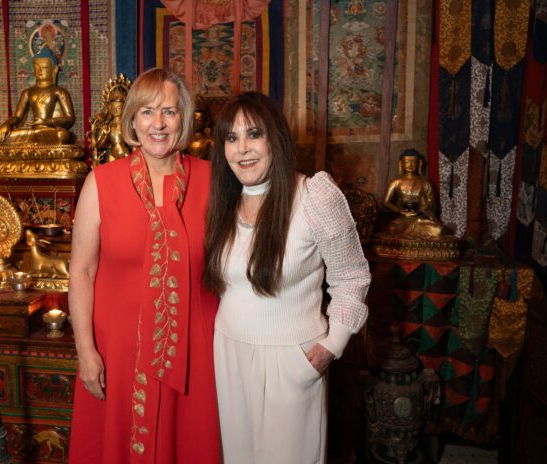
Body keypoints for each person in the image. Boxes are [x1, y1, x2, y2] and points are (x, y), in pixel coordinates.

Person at [203, 91, 370, 464]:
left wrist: (332, 346)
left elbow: (352, 277)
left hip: (294, 359)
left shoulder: (314, 196)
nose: (242, 149)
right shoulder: (222, 201)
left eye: (254, 134)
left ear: (274, 138)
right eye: (232, 138)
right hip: (229, 354)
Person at [67, 68, 221, 464]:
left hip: (196, 349)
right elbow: (81, 272)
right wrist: (86, 351)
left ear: (183, 119)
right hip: (118, 352)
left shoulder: (213, 179)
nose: (158, 123)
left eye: (169, 112)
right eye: (148, 111)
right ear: (132, 119)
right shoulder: (100, 182)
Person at [0, 47, 75, 145]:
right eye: (36, 68)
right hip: (32, 132)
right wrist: (7, 123)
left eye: (44, 67)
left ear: (55, 70)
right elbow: (17, 117)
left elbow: (69, 118)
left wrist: (46, 122)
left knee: (63, 135)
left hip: (50, 132)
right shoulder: (27, 92)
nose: (39, 71)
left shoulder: (59, 91)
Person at [381, 148, 446, 239]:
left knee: (437, 230)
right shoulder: (396, 182)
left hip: (420, 218)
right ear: (401, 164)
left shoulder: (425, 183)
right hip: (403, 218)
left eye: (413, 162)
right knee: (392, 228)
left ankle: (413, 236)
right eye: (407, 162)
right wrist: (401, 211)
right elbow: (385, 202)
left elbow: (430, 203)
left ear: (419, 164)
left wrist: (422, 210)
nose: (410, 165)